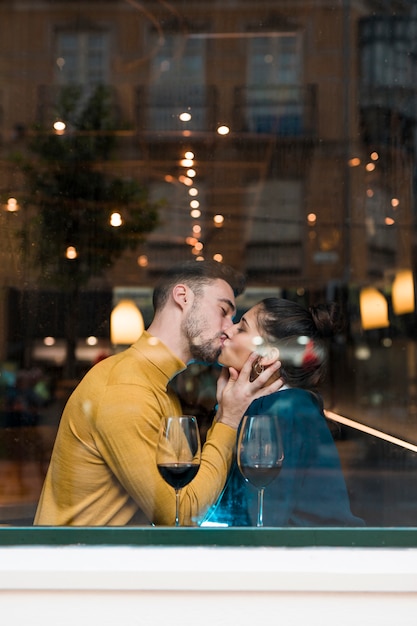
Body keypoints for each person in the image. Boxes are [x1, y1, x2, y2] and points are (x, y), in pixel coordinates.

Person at [33, 260, 283, 527]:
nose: (228, 328)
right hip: (74, 564)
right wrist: (229, 419)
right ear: (183, 297)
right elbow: (181, 515)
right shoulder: (126, 390)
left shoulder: (159, 388)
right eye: (223, 311)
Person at [203, 297, 364, 527]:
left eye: (242, 328)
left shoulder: (284, 409)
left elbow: (256, 519)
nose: (228, 330)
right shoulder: (276, 405)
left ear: (268, 357)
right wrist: (223, 412)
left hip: (311, 556)